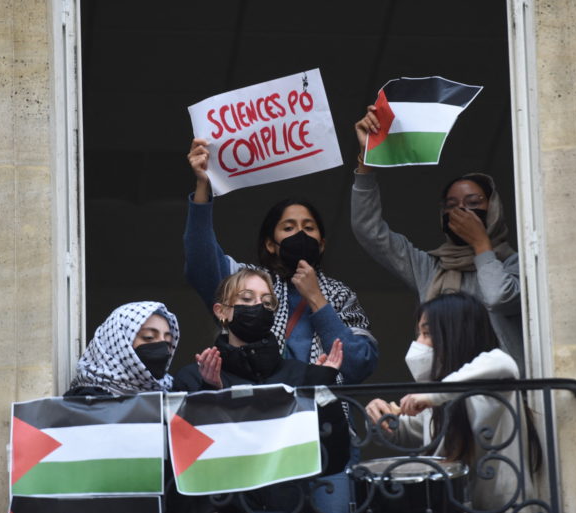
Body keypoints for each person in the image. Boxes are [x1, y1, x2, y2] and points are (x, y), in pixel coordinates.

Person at [185, 138, 378, 385]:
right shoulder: (248, 281)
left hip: (320, 418)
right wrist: (203, 186)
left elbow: (359, 364)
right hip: (260, 414)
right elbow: (201, 262)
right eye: (288, 227)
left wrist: (316, 299)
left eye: (309, 228)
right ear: (270, 243)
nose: (300, 234)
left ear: (321, 243)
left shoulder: (341, 295)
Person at [351, 107, 524, 370]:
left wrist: (481, 246)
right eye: (451, 204)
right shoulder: (430, 267)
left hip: (501, 398)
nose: (461, 210)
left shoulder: (518, 265)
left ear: (494, 209)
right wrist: (366, 163)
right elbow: (370, 230)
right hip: (444, 391)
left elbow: (498, 297)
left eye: (473, 202)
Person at [173, 268, 351, 513]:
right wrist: (210, 394)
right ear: (222, 312)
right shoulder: (192, 378)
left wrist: (324, 390)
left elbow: (335, 459)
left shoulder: (299, 374)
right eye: (247, 299)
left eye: (267, 302)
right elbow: (187, 468)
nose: (258, 306)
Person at [365, 292, 540, 510]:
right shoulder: (436, 397)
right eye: (418, 333)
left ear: (456, 335)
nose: (418, 343)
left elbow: (503, 363)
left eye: (427, 333)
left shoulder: (489, 385)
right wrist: (378, 417)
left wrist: (433, 396)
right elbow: (403, 431)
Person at [66, 301, 179, 396]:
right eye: (148, 337)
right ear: (117, 343)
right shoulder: (87, 401)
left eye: (168, 343)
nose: (162, 348)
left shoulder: (170, 394)